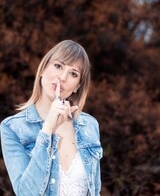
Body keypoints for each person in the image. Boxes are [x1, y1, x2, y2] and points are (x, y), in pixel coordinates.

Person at [0, 39, 103, 196]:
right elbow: (26, 193)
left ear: (77, 86)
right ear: (42, 69)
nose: (62, 77)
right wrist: (47, 130)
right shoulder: (12, 128)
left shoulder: (89, 125)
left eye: (73, 74)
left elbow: (95, 189)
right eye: (58, 66)